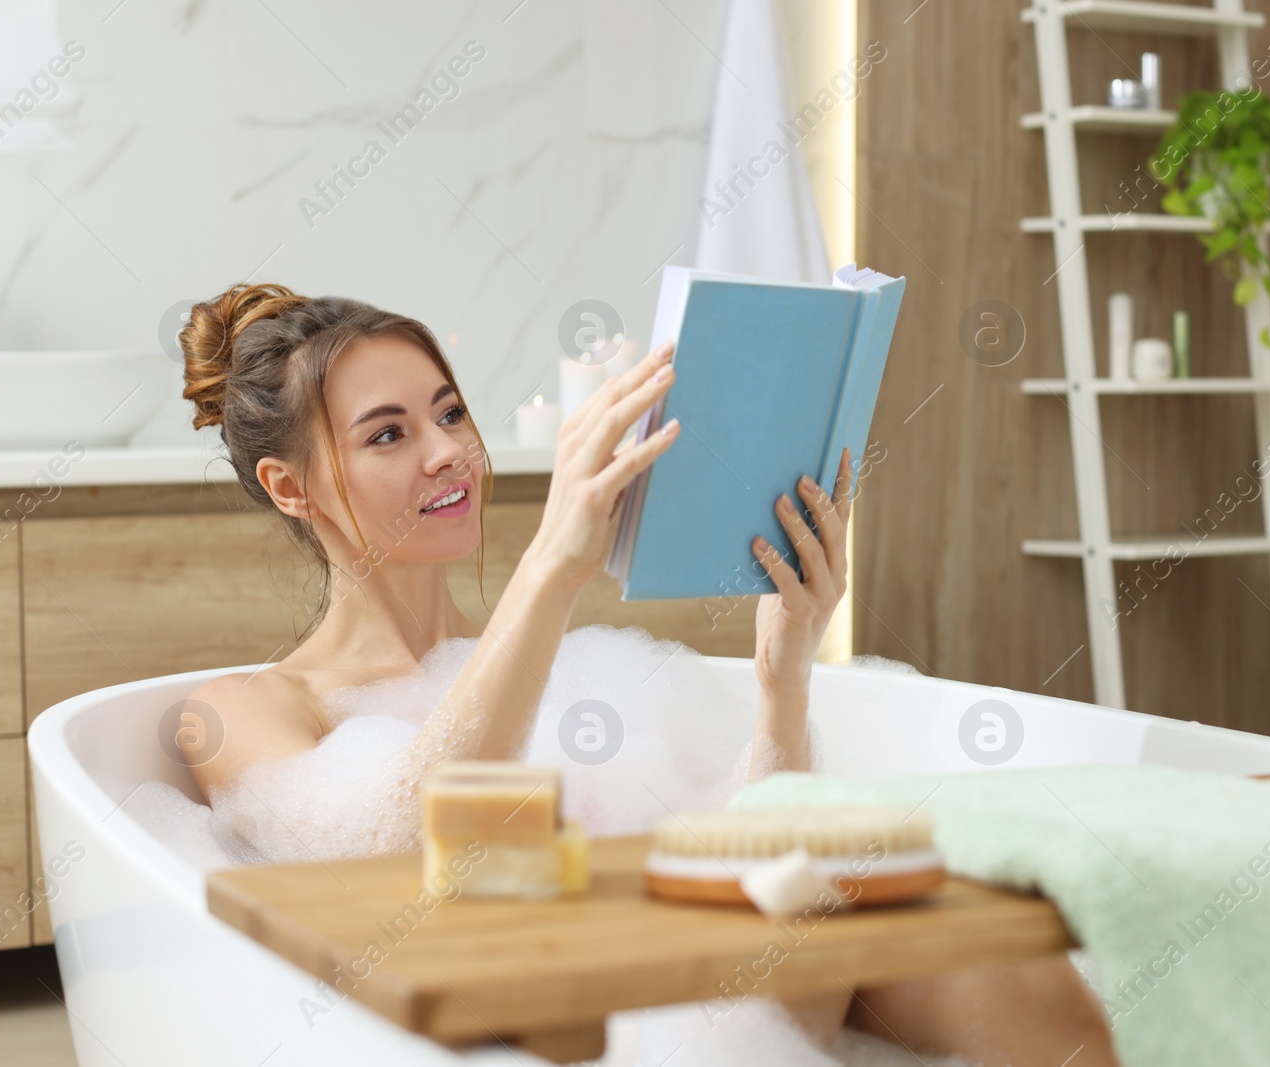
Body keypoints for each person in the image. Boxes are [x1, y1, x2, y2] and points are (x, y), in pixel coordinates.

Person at [177, 282, 1117, 1066]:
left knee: (994, 954)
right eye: (388, 434)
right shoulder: (242, 711)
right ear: (290, 488)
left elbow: (749, 855)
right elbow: (397, 855)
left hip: (721, 1003)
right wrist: (552, 563)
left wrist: (781, 677)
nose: (447, 452)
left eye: (449, 411)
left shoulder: (583, 672)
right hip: (565, 1023)